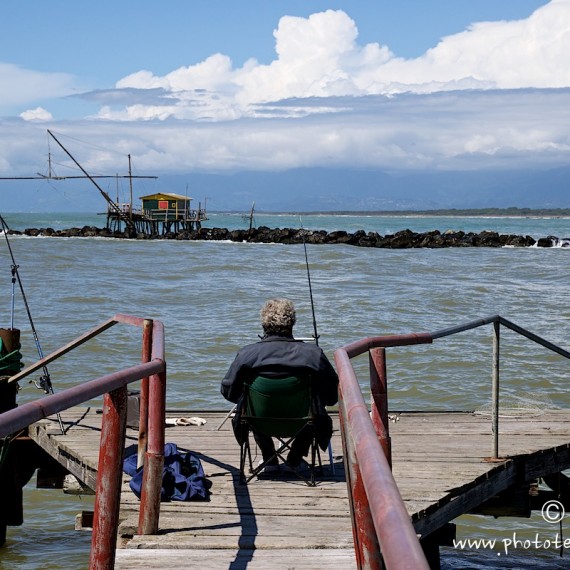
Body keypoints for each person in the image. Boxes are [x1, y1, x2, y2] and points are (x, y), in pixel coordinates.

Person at [221, 298, 339, 471]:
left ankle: (269, 458)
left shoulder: (247, 354)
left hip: (259, 422)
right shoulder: (313, 354)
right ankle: (295, 459)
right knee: (313, 407)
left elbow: (228, 391)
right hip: (302, 423)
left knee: (250, 405)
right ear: (293, 323)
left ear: (263, 324)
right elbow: (331, 396)